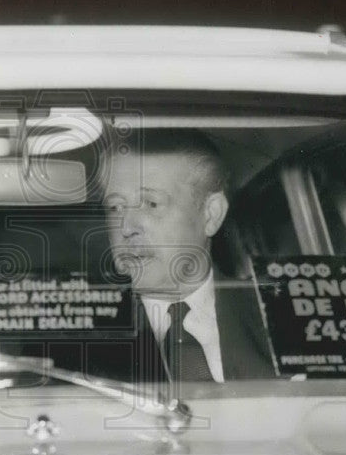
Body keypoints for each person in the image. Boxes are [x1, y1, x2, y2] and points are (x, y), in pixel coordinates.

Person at [99, 129, 274, 382]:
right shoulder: (83, 334)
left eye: (151, 204)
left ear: (211, 215)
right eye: (115, 207)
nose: (126, 228)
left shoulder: (280, 316)